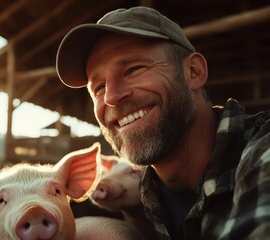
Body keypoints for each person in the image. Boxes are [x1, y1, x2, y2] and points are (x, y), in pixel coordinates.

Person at [56, 6, 270, 240]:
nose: (111, 97)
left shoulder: (262, 152)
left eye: (133, 69)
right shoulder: (142, 195)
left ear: (194, 72)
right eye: (99, 87)